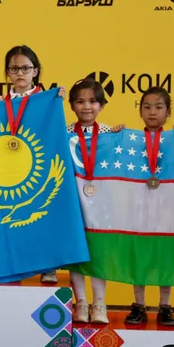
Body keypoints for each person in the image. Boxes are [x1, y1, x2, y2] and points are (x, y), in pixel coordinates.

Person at [0, 45, 65, 284]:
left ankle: (48, 265)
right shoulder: (0, 101)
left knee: (41, 213)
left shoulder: (47, 99)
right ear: (7, 73)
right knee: (13, 217)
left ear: (35, 71)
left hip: (40, 164)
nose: (20, 73)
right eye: (14, 69)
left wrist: (56, 99)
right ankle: (11, 264)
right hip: (8, 168)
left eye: (25, 68)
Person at [67, 78, 124, 323]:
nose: (86, 107)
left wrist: (122, 137)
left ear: (101, 105)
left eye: (92, 101)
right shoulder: (64, 133)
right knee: (76, 251)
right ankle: (80, 301)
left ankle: (99, 302)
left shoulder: (111, 134)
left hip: (102, 204)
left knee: (99, 251)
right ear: (72, 105)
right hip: (73, 203)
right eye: (80, 101)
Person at [123, 87, 174, 327]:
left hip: (167, 207)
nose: (152, 112)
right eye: (147, 107)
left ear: (168, 112)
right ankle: (139, 304)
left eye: (158, 107)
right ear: (140, 111)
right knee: (140, 255)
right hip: (139, 206)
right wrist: (115, 134)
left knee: (165, 256)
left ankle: (165, 305)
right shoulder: (129, 141)